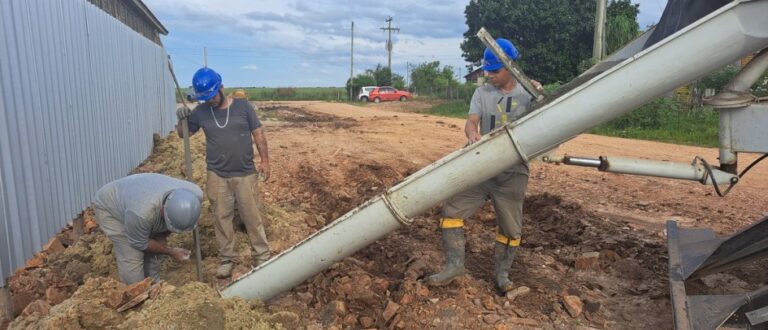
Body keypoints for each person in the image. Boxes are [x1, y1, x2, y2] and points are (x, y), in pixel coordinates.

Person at [424, 38, 539, 294]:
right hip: (483, 168)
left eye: (495, 71)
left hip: (513, 173)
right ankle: (455, 266)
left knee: (510, 228)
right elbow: (471, 121)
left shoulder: (529, 93)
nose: (490, 76)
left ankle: (502, 276)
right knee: (452, 211)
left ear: (510, 66)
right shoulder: (482, 93)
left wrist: (539, 97)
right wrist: (472, 133)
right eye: (488, 71)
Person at [176, 67, 272, 279]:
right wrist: (181, 119)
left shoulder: (243, 107)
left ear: (221, 87)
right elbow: (184, 134)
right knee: (221, 217)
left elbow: (258, 133)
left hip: (245, 173)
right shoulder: (201, 112)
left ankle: (262, 256)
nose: (210, 100)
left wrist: (265, 160)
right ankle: (227, 259)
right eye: (206, 98)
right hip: (217, 175)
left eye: (212, 96)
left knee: (252, 216)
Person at [92, 173, 203, 284]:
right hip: (110, 206)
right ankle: (136, 294)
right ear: (162, 210)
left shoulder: (195, 195)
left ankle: (154, 285)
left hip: (141, 194)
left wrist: (161, 241)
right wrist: (170, 252)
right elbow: (139, 243)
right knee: (132, 255)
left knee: (156, 246)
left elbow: (162, 233)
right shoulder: (141, 213)